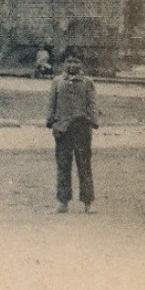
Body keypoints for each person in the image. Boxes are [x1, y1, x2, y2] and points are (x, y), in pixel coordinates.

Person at [45, 52, 99, 213]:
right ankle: (63, 201)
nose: (72, 65)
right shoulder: (57, 81)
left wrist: (92, 120)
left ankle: (88, 202)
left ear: (82, 64)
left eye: (76, 62)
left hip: (81, 128)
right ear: (63, 64)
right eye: (69, 62)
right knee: (63, 165)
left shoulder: (87, 82)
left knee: (84, 165)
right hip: (62, 129)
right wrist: (51, 121)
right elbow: (51, 103)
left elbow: (92, 103)